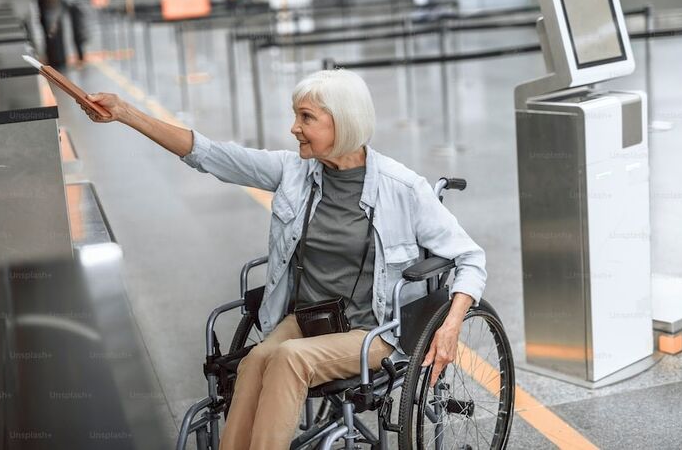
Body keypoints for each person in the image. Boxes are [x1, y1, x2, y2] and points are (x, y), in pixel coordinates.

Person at [79, 69, 487, 449]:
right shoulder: (293, 171)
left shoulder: (402, 188)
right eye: (296, 116)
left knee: (289, 359)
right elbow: (208, 154)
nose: (294, 128)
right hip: (308, 319)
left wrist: (450, 327)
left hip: (372, 334)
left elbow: (470, 257)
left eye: (306, 117)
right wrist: (126, 114)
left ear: (341, 123)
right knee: (256, 359)